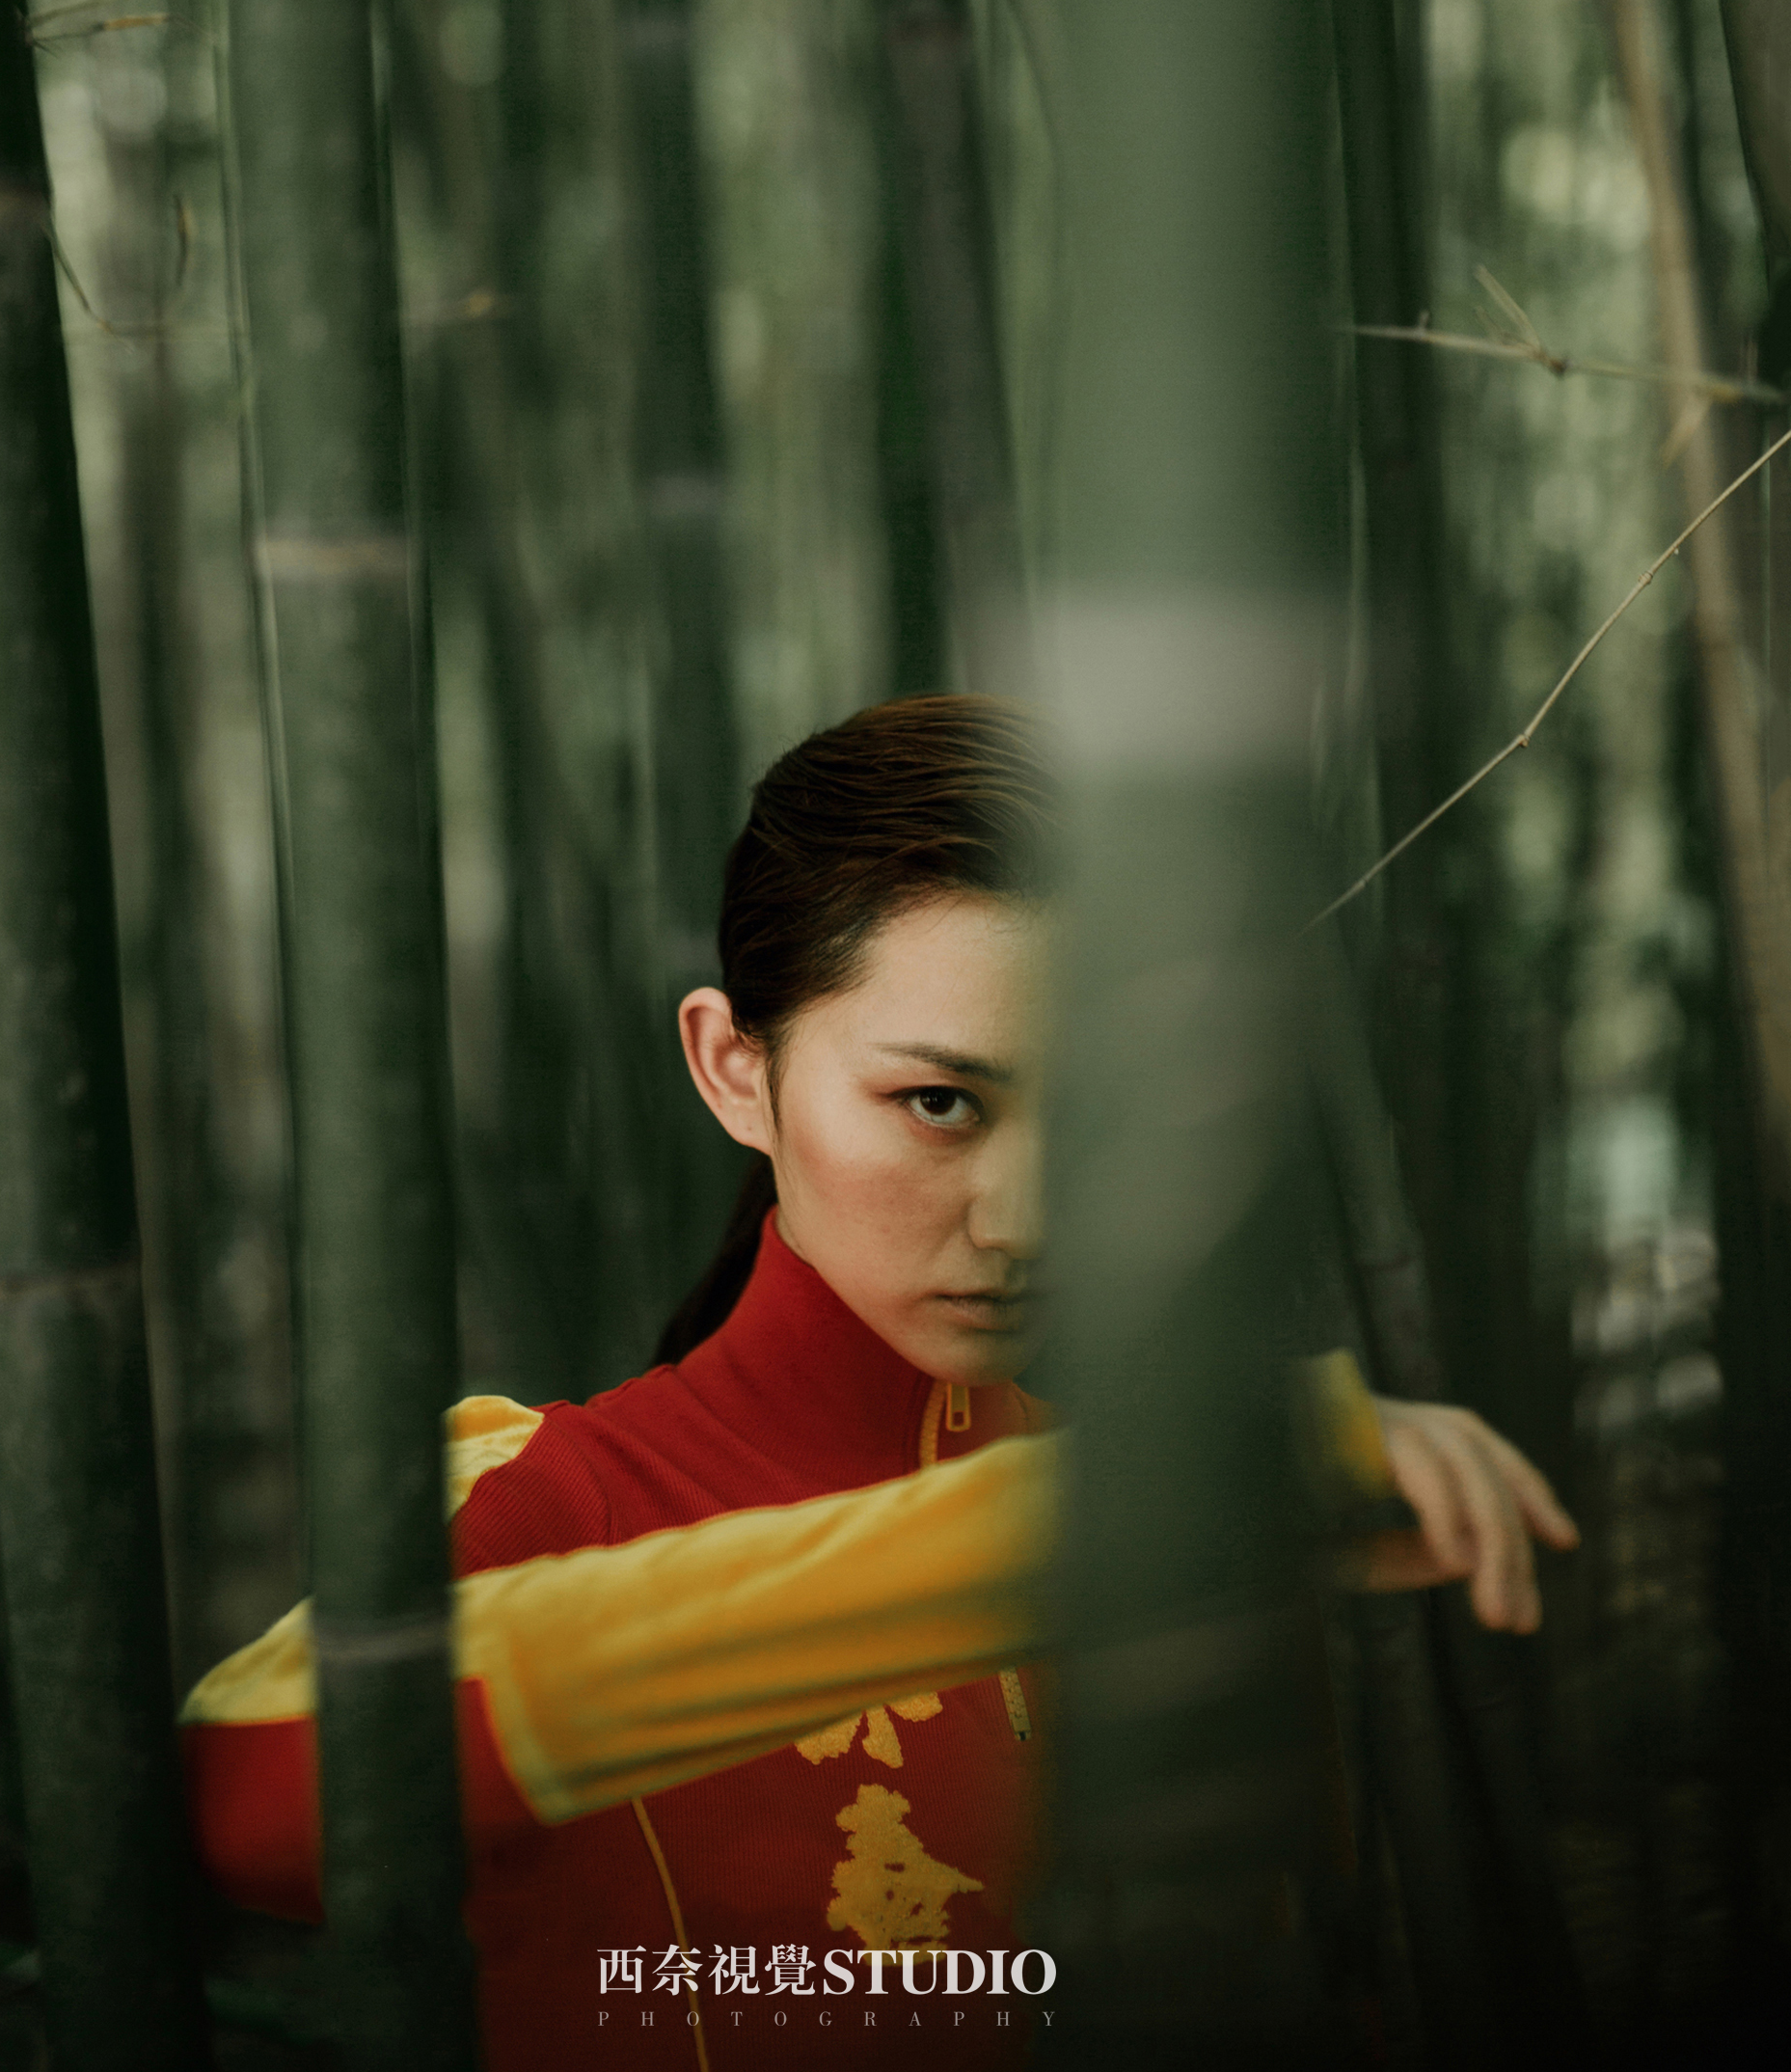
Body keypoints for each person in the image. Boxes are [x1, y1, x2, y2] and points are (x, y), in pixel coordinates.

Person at [184, 696, 1576, 2065]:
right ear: (735, 1069)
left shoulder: (1200, 1499)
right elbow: (235, 1802)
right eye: (939, 1103)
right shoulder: (557, 1496)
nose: (1026, 1220)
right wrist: (1088, 1519)